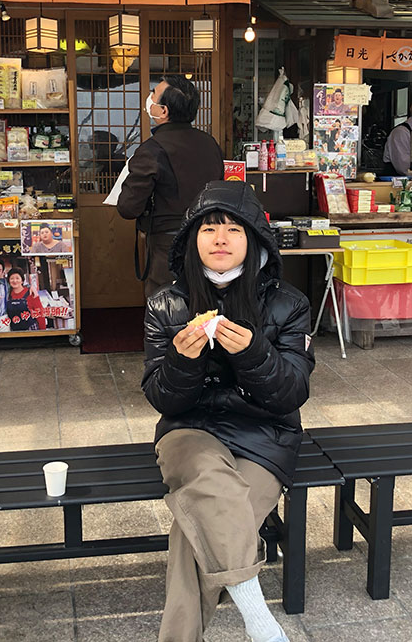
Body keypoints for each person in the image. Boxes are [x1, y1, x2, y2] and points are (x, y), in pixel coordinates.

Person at [143, 180, 314, 642]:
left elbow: (291, 393)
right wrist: (182, 361)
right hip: (188, 430)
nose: (220, 239)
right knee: (209, 486)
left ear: (255, 238)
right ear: (191, 239)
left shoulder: (289, 304)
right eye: (209, 228)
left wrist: (255, 354)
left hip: (265, 436)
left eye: (234, 229)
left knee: (193, 531)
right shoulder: (167, 305)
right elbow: (162, 398)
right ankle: (258, 616)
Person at [117, 75, 224, 297]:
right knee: (205, 303)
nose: (149, 98)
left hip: (169, 244)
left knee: (166, 309)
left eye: (153, 94)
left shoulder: (152, 150)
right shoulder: (210, 144)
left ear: (163, 111)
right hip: (210, 238)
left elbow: (128, 208)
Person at [5, 267, 47, 331]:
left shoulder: (31, 293)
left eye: (17, 278)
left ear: (22, 280)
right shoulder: (8, 295)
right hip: (14, 330)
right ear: (9, 281)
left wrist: (43, 331)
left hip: (31, 329)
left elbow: (40, 313)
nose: (15, 281)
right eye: (12, 278)